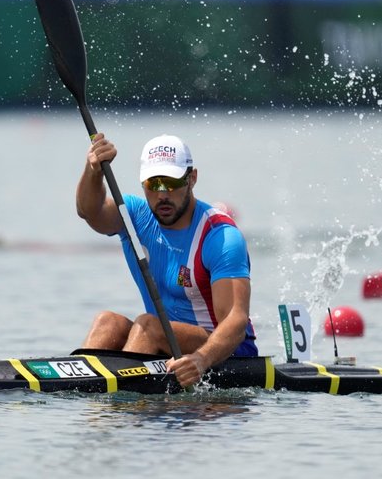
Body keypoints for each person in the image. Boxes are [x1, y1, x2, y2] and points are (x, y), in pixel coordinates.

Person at [76, 133, 257, 387]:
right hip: (164, 346)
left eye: (171, 183)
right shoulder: (134, 216)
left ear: (192, 178)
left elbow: (235, 321)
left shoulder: (221, 237)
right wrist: (94, 169)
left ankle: (120, 403)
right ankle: (85, 399)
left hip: (226, 354)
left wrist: (201, 359)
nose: (162, 194)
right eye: (153, 184)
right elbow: (89, 211)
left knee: (149, 326)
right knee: (108, 322)